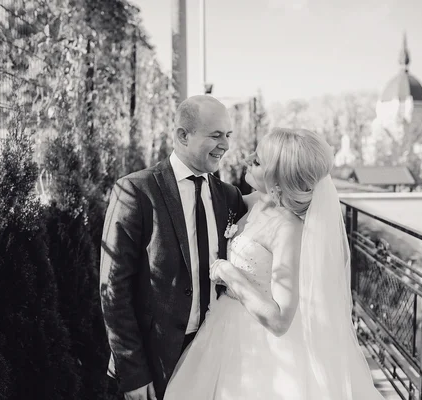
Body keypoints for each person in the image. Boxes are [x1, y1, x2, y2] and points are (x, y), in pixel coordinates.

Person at [164, 127, 386, 400]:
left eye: (257, 162)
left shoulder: (287, 228)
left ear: (278, 180)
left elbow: (280, 320)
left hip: (260, 347)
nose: (246, 161)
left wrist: (230, 274)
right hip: (222, 328)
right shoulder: (257, 202)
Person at [99, 95, 247, 400]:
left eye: (228, 135)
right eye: (216, 135)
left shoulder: (229, 196)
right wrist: (134, 373)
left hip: (215, 353)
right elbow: (113, 289)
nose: (226, 145)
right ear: (182, 135)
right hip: (155, 363)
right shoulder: (136, 190)